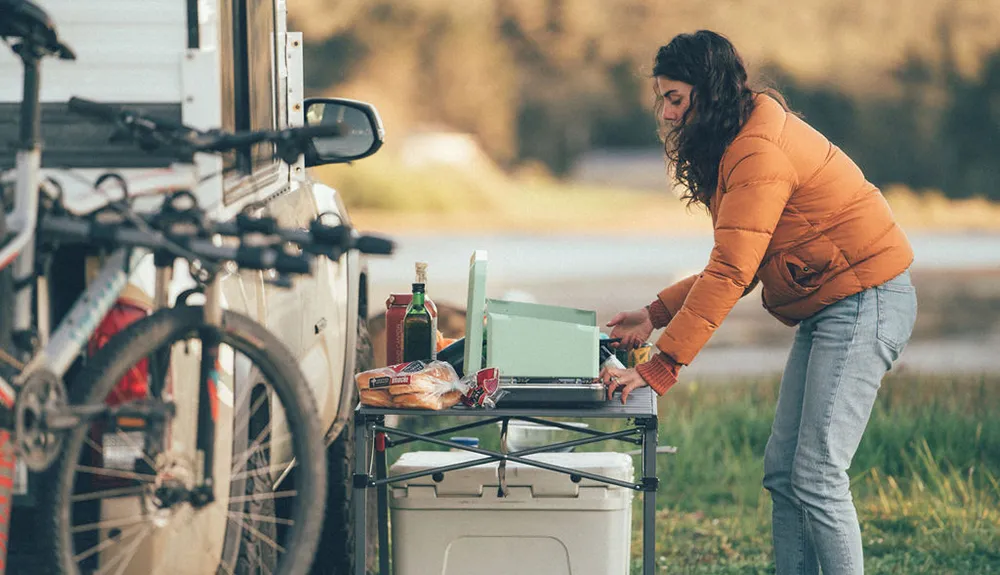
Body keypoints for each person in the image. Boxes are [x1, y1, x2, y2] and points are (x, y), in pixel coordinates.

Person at [599, 30, 917, 575]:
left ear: (710, 91)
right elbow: (742, 257)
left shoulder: (757, 149)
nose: (669, 115)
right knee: (783, 472)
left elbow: (732, 269)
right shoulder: (745, 138)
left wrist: (663, 363)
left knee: (816, 474)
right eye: (663, 100)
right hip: (835, 302)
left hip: (867, 300)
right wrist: (654, 315)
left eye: (676, 99)